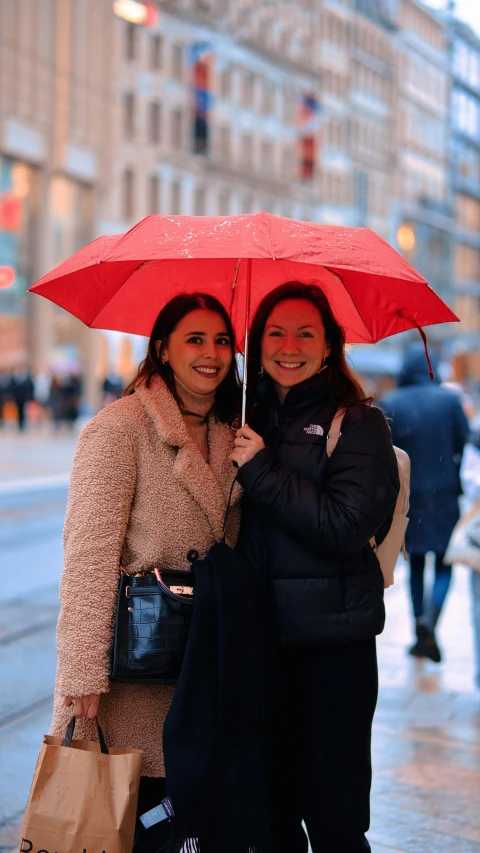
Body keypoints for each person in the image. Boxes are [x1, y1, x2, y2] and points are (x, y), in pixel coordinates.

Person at [49, 293, 241, 852]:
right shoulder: (120, 428)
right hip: (136, 671)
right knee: (137, 823)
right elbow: (87, 552)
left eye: (223, 341)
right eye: (196, 340)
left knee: (195, 825)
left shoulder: (238, 432)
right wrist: (81, 672)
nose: (212, 354)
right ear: (162, 349)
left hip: (208, 662)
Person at [232, 282, 399, 853]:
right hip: (257, 648)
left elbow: (343, 528)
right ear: (256, 345)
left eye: (307, 332)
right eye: (275, 331)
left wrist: (259, 471)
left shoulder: (359, 424)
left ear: (329, 347)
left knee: (333, 819)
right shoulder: (247, 419)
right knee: (269, 817)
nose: (289, 345)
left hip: (333, 654)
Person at [381, 343, 469, 662]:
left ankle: (420, 625)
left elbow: (385, 453)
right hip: (446, 493)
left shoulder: (392, 402)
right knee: (445, 562)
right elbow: (464, 440)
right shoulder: (449, 400)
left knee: (415, 564)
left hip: (410, 497)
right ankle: (431, 620)